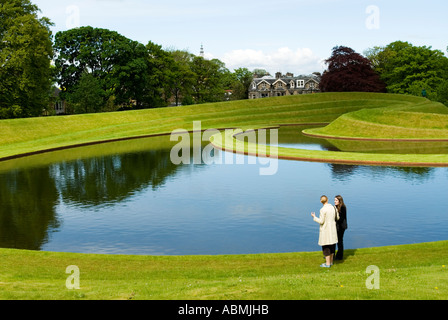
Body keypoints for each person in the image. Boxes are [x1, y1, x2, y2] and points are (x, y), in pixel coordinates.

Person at [311, 195, 339, 268]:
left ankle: (327, 264)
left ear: (321, 201)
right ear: (327, 200)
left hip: (326, 231)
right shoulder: (333, 207)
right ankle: (331, 262)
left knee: (326, 247)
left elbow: (321, 221)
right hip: (332, 230)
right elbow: (337, 217)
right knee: (332, 246)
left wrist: (314, 217)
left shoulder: (322, 210)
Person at [334, 195, 348, 260]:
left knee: (339, 241)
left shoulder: (343, 208)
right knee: (335, 241)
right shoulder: (335, 207)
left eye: (336, 200)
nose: (335, 201)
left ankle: (340, 256)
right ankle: (333, 255)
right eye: (334, 200)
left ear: (340, 201)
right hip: (337, 226)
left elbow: (341, 219)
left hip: (341, 227)